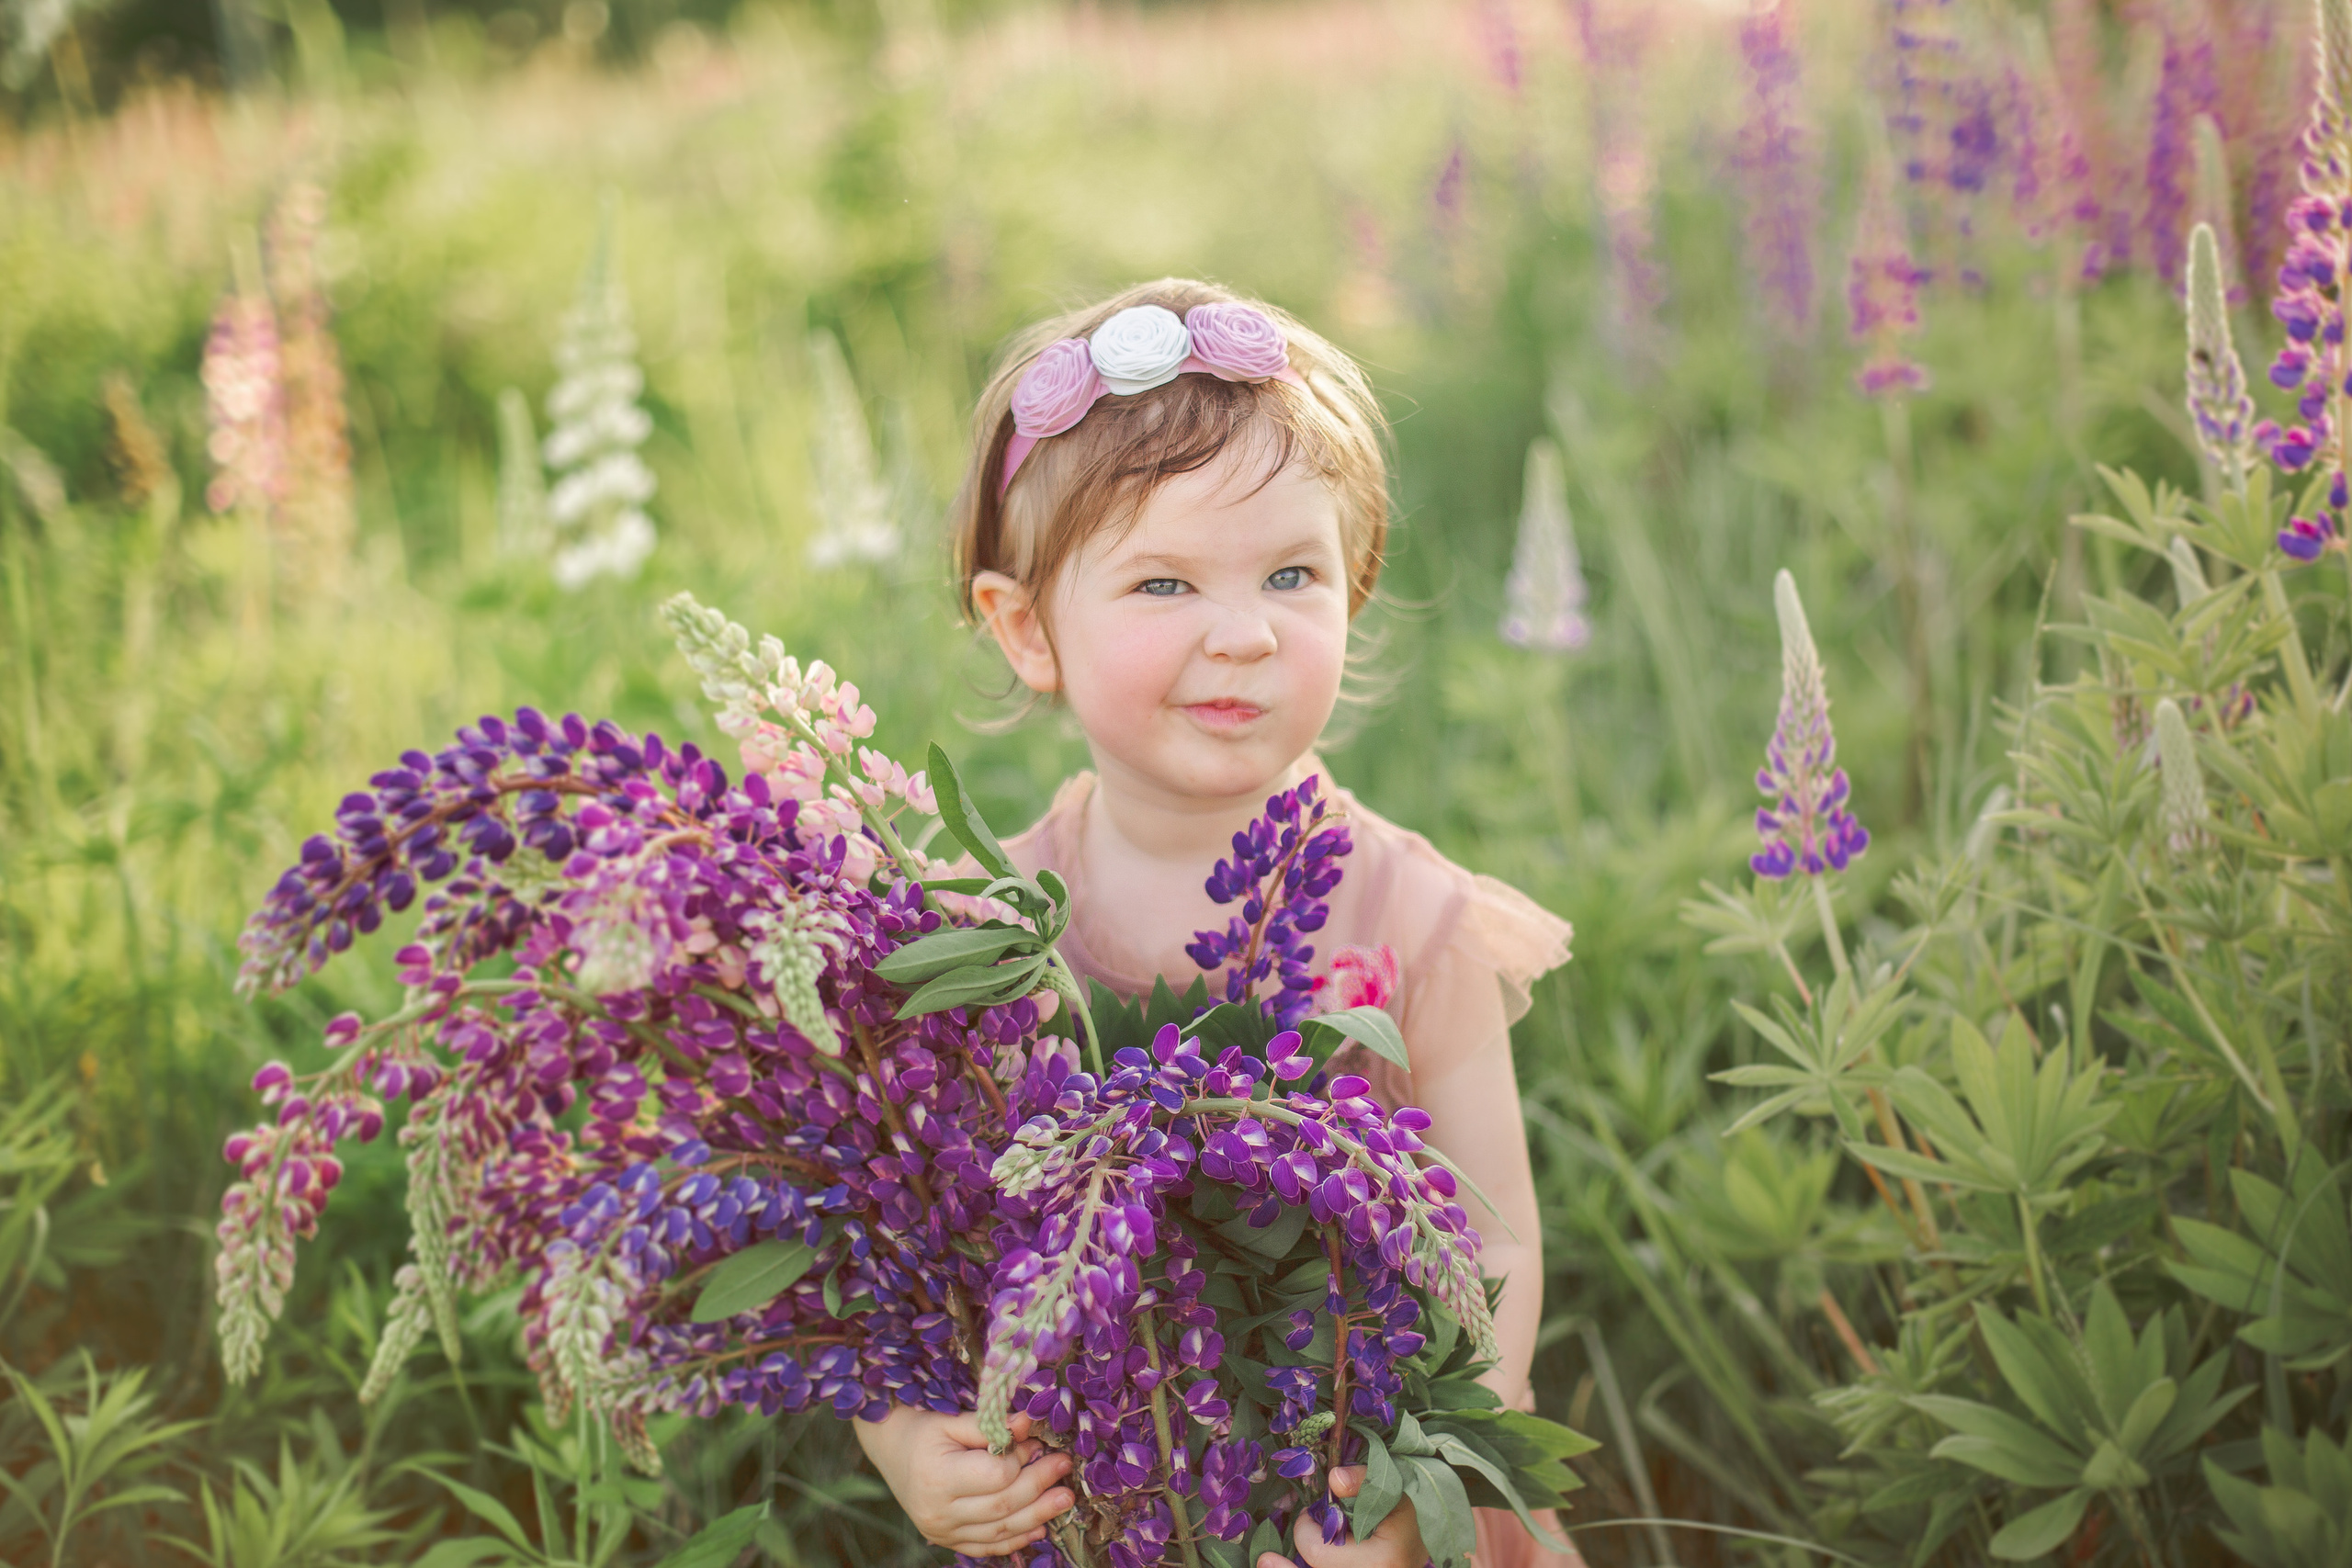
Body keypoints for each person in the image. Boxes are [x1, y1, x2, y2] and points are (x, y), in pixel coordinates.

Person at [854, 278, 1580, 1568]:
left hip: (1355, 1479)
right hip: (1098, 1496)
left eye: (1292, 574)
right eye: (1164, 583)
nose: (1242, 635)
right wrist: (910, 1443)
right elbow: (902, 1254)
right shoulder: (980, 933)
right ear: (1027, 630)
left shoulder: (1411, 914)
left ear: (1354, 592)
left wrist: (1427, 1491)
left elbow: (1498, 1236)